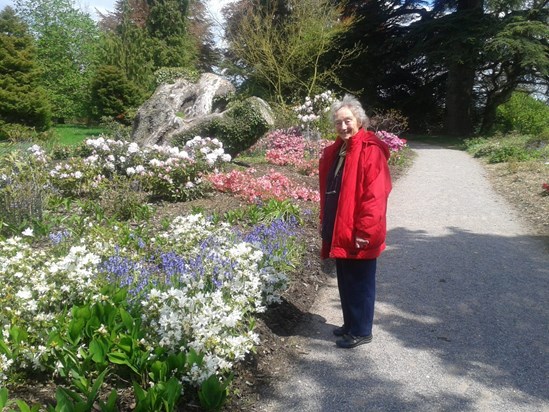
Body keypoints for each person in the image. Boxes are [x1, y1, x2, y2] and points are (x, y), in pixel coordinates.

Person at [319, 94, 392, 349]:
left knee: (360, 280)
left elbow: (375, 196)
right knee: (346, 278)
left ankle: (362, 330)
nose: (343, 126)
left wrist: (365, 232)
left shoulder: (370, 150)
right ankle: (350, 323)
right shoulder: (338, 150)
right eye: (338, 122)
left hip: (360, 229)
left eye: (347, 121)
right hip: (341, 225)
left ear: (359, 120)